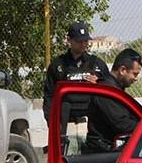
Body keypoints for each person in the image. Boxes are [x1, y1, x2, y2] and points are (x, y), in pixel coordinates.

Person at [42, 22, 110, 153]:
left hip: (92, 124)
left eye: (85, 41)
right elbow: (49, 96)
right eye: (79, 41)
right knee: (67, 159)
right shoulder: (58, 65)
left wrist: (99, 83)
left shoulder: (97, 64)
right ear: (69, 40)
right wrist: (52, 124)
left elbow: (110, 89)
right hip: (66, 122)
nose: (83, 44)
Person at [84, 49, 142, 154]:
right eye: (134, 74)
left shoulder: (115, 90)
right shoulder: (106, 92)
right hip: (101, 154)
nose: (136, 79)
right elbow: (122, 125)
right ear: (122, 70)